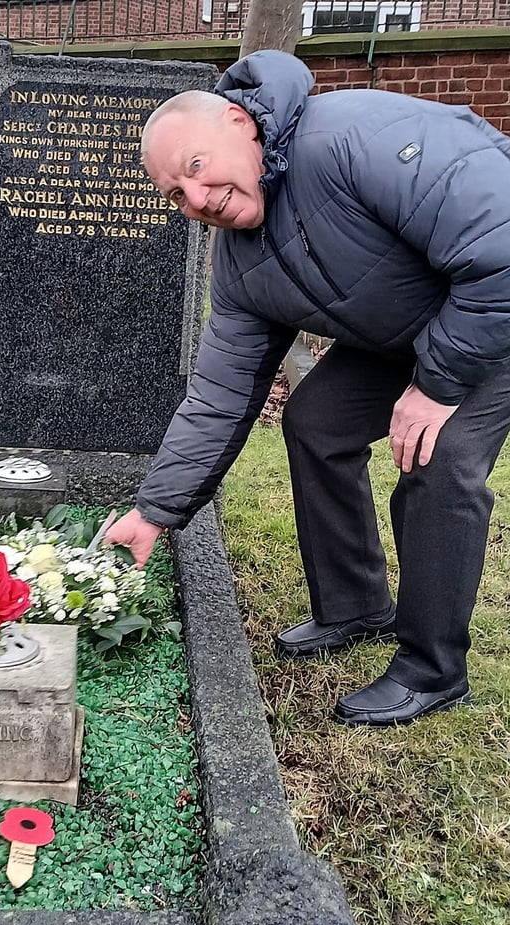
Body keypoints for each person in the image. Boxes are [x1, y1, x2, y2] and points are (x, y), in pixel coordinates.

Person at [104, 50, 510, 728]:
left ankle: (432, 670)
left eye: (196, 169)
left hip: (491, 307)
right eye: (176, 195)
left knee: (437, 456)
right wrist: (154, 512)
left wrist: (435, 387)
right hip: (415, 329)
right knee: (317, 421)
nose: (198, 200)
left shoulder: (351, 137)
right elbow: (221, 395)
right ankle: (355, 605)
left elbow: (499, 246)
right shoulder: (240, 268)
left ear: (240, 123)